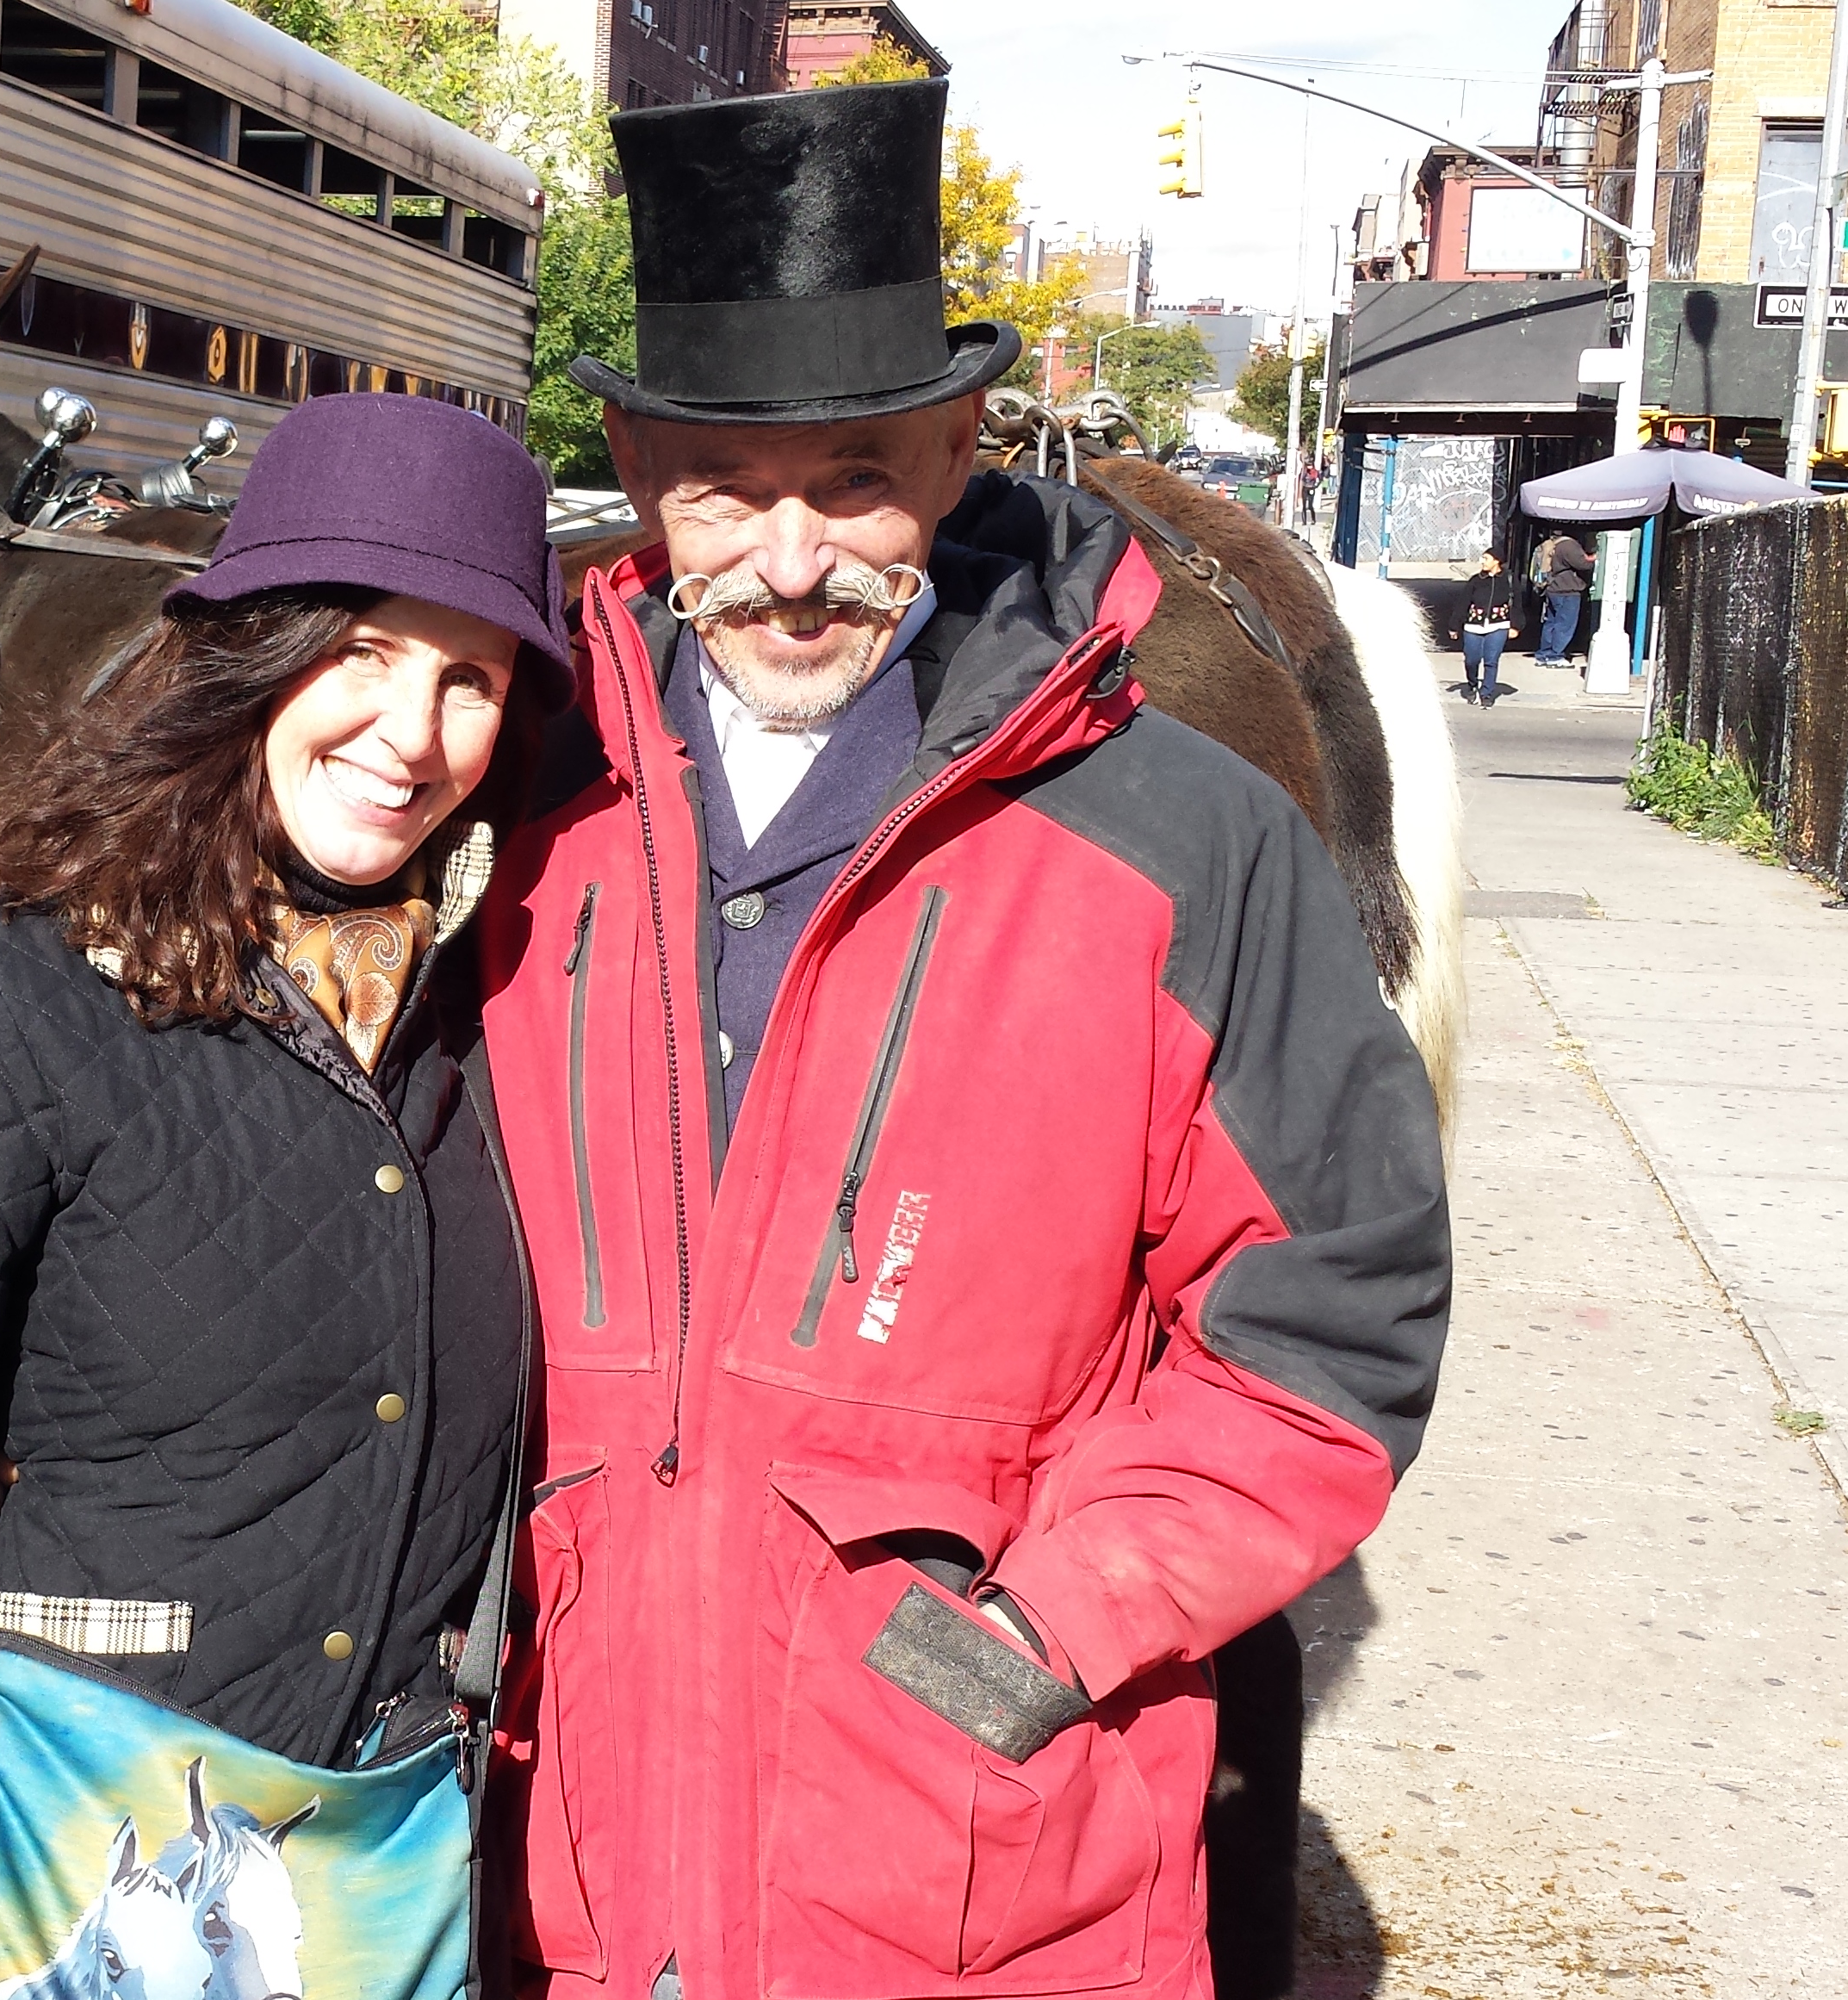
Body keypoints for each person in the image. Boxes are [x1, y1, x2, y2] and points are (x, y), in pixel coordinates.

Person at [469, 81, 1451, 2000]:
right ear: (629, 465)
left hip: (975, 1890)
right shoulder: (515, 810)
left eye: (856, 479)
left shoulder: (1183, 842)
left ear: (957, 452)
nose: (791, 557)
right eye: (724, 489)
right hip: (557, 1874)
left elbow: (1331, 1317)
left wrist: (1037, 1637)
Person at [0, 393, 569, 2000]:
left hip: (363, 1918)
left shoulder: (487, 1032)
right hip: (53, 1894)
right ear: (245, 650)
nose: (408, 731)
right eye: (356, 649)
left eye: (469, 679)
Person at [1535, 528, 1595, 663]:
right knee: (1565, 625)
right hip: (1567, 590)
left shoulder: (1552, 543)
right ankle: (1555, 656)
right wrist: (1594, 558)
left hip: (1552, 588)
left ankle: (1544, 654)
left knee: (1551, 623)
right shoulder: (1569, 545)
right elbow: (1583, 564)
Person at [1462, 550, 1512, 706]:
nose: (1483, 562)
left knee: (1491, 661)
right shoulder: (1475, 580)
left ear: (1496, 561)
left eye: (1486, 558)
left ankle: (1487, 693)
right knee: (1472, 660)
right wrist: (1454, 624)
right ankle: (1472, 686)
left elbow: (1516, 603)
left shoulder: (1508, 580)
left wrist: (1516, 625)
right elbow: (1463, 603)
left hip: (1499, 626)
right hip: (1473, 626)